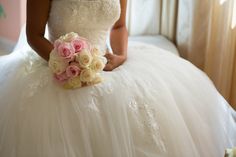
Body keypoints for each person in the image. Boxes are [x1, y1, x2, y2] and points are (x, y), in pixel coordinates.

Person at [0, 0, 235, 156]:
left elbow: (119, 26)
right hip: (57, 65)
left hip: (108, 64)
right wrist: (65, 62)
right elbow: (34, 34)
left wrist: (121, 55)